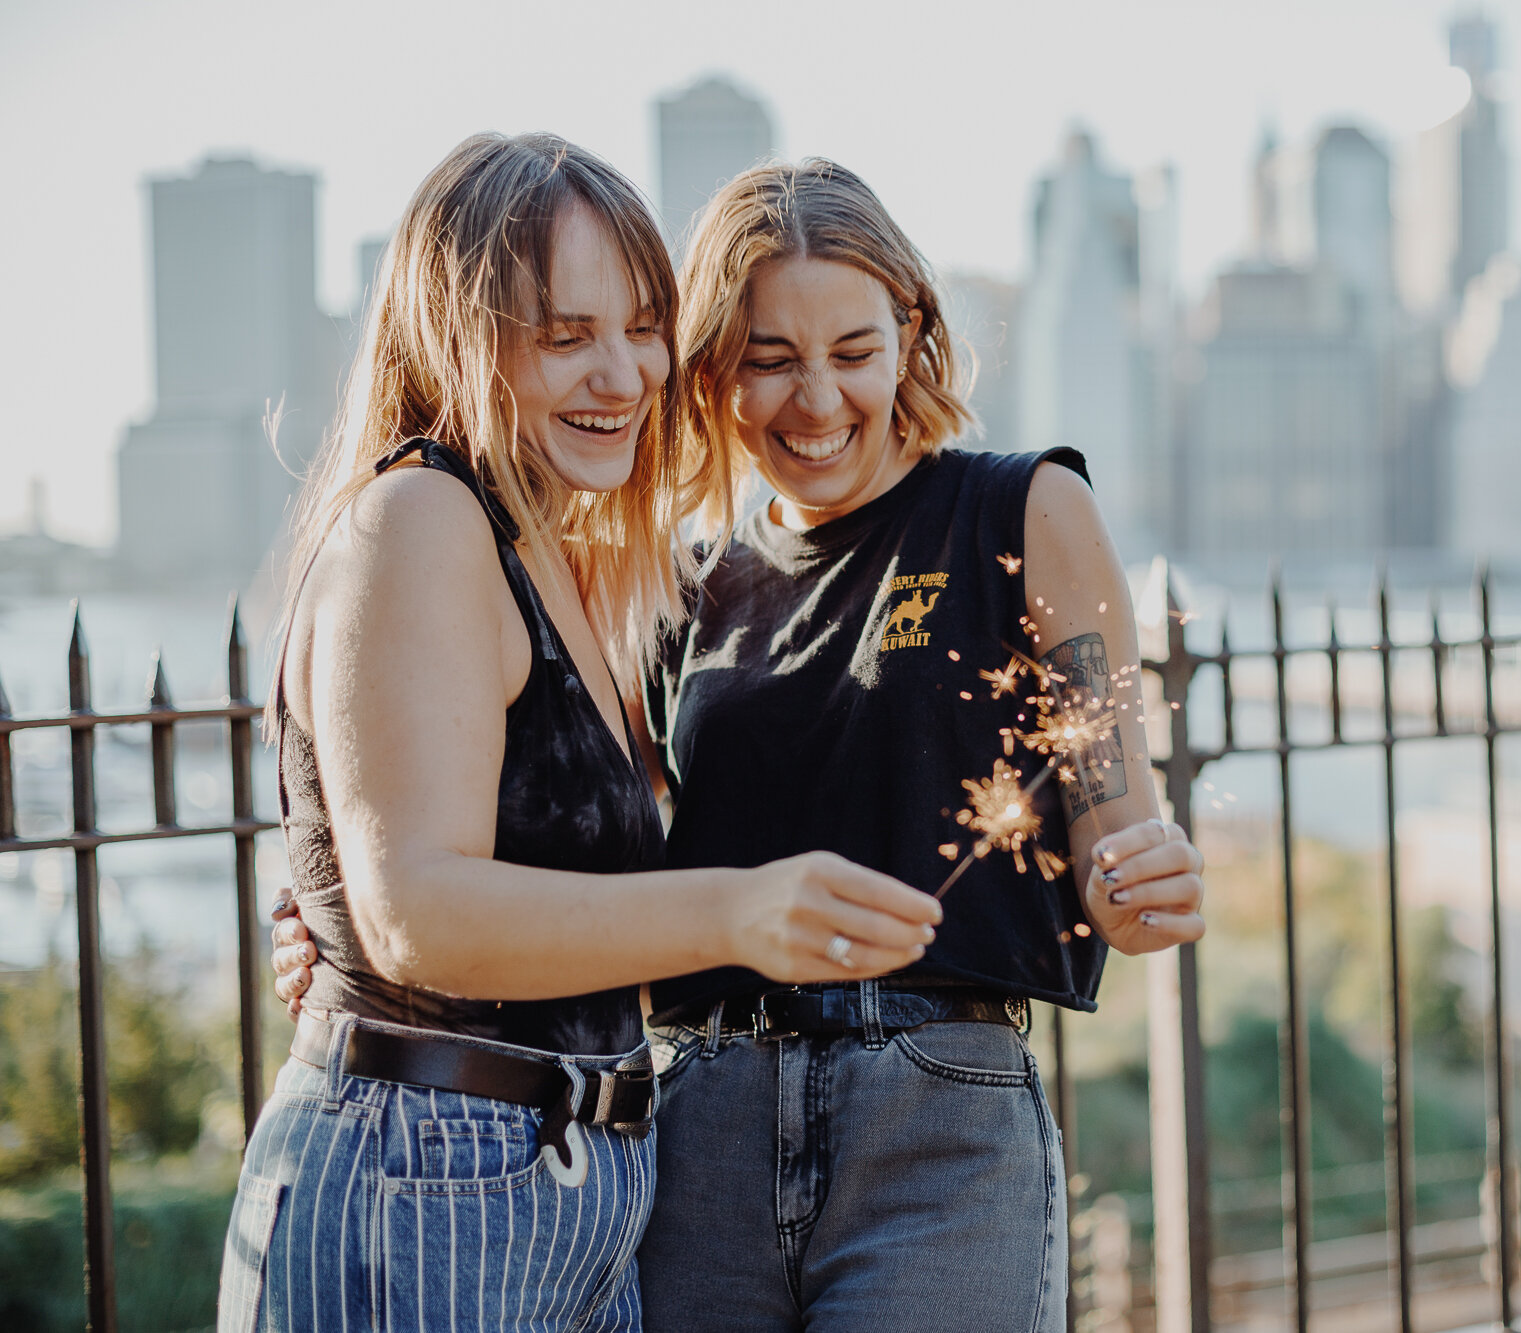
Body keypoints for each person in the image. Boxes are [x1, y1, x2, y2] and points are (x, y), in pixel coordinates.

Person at [272, 157, 1207, 1331]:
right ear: (710, 365)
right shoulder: (673, 581)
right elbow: (588, 858)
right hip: (695, 1129)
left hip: (934, 1124)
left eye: (854, 352)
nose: (815, 402)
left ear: (911, 332)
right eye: (767, 360)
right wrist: (331, 909)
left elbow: (1118, 829)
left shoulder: (1022, 513)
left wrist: (1147, 873)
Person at [228, 135, 939, 1333]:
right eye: (565, 336)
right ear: (458, 335)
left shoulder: (557, 551)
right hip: (430, 1187)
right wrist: (735, 911)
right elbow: (418, 913)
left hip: (565, 1193)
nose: (622, 373)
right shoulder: (420, 515)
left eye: (642, 328)